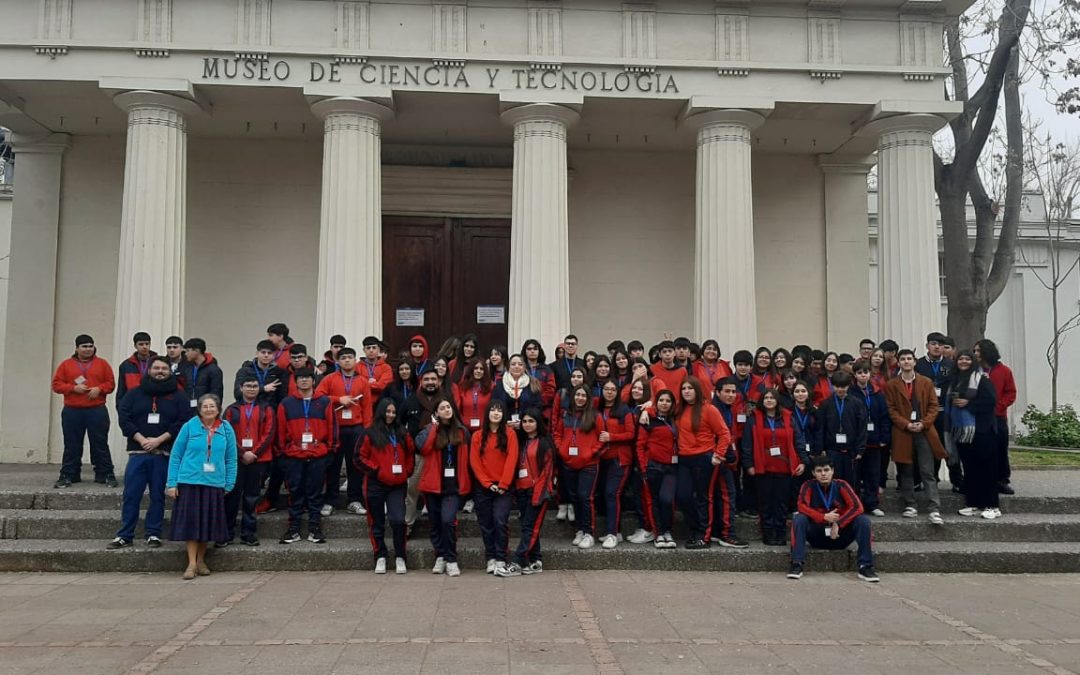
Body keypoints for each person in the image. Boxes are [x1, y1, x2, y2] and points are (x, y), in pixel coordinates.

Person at [110, 356, 189, 549]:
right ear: (149, 370)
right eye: (156, 368)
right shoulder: (135, 393)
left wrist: (159, 440)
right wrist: (141, 439)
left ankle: (153, 533)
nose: (160, 371)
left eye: (164, 368)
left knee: (157, 496)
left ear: (170, 371)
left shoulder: (179, 396)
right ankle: (125, 534)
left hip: (162, 454)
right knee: (131, 495)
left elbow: (183, 421)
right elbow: (124, 417)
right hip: (138, 452)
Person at [166, 394, 238, 580]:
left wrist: (229, 482)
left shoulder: (226, 428)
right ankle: (190, 563)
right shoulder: (189, 426)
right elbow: (176, 456)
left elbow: (231, 458)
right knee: (192, 524)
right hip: (190, 481)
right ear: (199, 409)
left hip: (214, 482)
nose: (208, 409)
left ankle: (201, 560)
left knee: (206, 524)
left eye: (212, 406)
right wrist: (172, 483)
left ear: (218, 408)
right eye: (205, 406)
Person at [787, 455, 878, 583]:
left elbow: (857, 507)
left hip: (840, 535)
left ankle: (865, 567)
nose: (823, 474)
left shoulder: (842, 485)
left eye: (826, 470)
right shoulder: (808, 485)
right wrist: (823, 517)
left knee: (863, 521)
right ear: (813, 473)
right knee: (799, 518)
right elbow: (802, 506)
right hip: (817, 535)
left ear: (832, 471)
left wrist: (839, 524)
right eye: (819, 471)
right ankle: (796, 564)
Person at [884, 349, 948, 526]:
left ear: (914, 362)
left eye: (909, 359)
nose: (906, 362)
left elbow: (934, 407)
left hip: (924, 430)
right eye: (903, 359)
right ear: (898, 362)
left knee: (927, 470)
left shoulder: (926, 382)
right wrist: (906, 424)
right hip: (903, 431)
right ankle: (910, 504)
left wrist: (924, 423)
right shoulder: (891, 384)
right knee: (905, 469)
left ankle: (934, 507)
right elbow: (891, 409)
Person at [276, 367, 338, 544]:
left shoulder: (325, 402)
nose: (304, 381)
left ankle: (314, 528)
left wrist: (331, 449)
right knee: (295, 493)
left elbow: (333, 426)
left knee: (315, 493)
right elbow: (280, 430)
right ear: (295, 382)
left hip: (318, 454)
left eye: (307, 378)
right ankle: (293, 529)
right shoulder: (286, 403)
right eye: (300, 378)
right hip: (294, 455)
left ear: (313, 381)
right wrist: (282, 452)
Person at [357, 397, 416, 574]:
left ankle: (400, 556)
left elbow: (411, 454)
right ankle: (380, 556)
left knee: (398, 520)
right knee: (377, 522)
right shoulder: (369, 433)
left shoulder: (402, 432)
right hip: (375, 483)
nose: (390, 415)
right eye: (387, 411)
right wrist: (377, 471)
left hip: (397, 484)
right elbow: (358, 458)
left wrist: (407, 471)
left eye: (393, 412)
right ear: (381, 412)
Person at [51, 334, 117, 488]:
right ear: (77, 348)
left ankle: (105, 473)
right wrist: (73, 388)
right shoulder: (66, 365)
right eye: (84, 346)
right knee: (72, 444)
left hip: (96, 410)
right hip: (72, 410)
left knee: (99, 443)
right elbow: (56, 385)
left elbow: (111, 383)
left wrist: (99, 389)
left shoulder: (102, 364)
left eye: (90, 346)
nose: (88, 349)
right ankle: (69, 474)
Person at [741, 388, 806, 545]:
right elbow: (747, 444)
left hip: (784, 467)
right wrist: (748, 464)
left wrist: (803, 461)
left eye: (772, 398)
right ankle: (768, 533)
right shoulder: (753, 419)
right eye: (766, 398)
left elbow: (798, 440)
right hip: (763, 467)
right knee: (765, 503)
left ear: (777, 400)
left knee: (781, 502)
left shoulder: (788, 418)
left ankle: (780, 533)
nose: (769, 400)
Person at [416, 397, 471, 577]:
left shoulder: (462, 432)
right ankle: (440, 555)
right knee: (435, 523)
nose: (447, 410)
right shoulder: (428, 430)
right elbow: (423, 448)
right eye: (442, 408)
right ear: (436, 413)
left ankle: (451, 558)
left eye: (448, 407)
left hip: (453, 485)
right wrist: (433, 427)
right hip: (433, 484)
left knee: (448, 520)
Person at [315, 347, 373, 516]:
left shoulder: (363, 381)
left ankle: (354, 500)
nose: (347, 360)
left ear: (355, 360)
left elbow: (367, 408)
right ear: (338, 361)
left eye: (350, 357)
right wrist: (338, 399)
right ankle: (330, 500)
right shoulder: (329, 379)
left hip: (356, 428)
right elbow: (318, 396)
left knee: (355, 465)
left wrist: (367, 431)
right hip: (335, 427)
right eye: (343, 358)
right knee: (333, 464)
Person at [675, 377, 732, 549]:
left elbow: (724, 434)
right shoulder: (679, 409)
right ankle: (695, 528)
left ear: (697, 390)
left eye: (690, 388)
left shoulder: (709, 409)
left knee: (703, 497)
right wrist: (648, 409)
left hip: (704, 459)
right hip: (684, 459)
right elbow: (660, 406)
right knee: (683, 496)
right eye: (683, 388)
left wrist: (718, 455)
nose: (686, 391)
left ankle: (704, 536)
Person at [499, 409, 556, 576]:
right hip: (522, 491)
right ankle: (535, 560)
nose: (527, 424)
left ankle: (517, 561)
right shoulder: (521, 441)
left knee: (529, 528)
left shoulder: (545, 443)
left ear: (538, 423)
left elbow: (546, 473)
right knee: (528, 527)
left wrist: (537, 495)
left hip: (538, 492)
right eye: (524, 421)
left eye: (531, 421)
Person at [220, 377, 276, 546]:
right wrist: (242, 453)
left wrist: (254, 453)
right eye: (248, 386)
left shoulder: (266, 409)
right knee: (231, 497)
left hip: (258, 459)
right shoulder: (231, 409)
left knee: (252, 498)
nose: (251, 389)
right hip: (236, 459)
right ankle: (226, 533)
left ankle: (248, 533)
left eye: (254, 386)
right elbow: (226, 433)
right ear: (241, 388)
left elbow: (269, 433)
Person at [948, 351, 1001, 519]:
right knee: (970, 469)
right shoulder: (955, 379)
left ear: (973, 362)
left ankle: (992, 505)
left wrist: (968, 403)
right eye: (960, 359)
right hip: (962, 431)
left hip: (982, 430)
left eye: (967, 359)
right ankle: (973, 502)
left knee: (986, 469)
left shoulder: (981, 379)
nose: (963, 361)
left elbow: (990, 401)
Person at [470, 399, 520, 575]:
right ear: (487, 413)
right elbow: (475, 462)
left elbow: (512, 459)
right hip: (483, 487)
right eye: (493, 410)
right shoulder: (477, 436)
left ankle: (500, 558)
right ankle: (490, 557)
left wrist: (503, 484)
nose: (496, 413)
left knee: (500, 520)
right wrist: (487, 483)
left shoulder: (510, 434)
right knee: (486, 523)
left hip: (503, 488)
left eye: (499, 410)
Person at [554, 384, 603, 549]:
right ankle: (580, 530)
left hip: (588, 464)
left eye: (583, 395)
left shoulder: (595, 416)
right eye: (577, 395)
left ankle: (589, 532)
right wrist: (562, 450)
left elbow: (601, 439)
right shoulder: (566, 414)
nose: (580, 398)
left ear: (588, 398)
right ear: (573, 397)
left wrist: (590, 453)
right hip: (569, 462)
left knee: (585, 497)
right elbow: (557, 434)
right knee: (574, 497)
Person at [916, 332, 962, 493]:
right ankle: (930, 480)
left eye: (940, 344)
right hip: (926, 414)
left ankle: (957, 481)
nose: (937, 347)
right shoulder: (918, 365)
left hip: (946, 413)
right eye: (933, 343)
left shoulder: (951, 365)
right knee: (928, 447)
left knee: (949, 447)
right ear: (927, 345)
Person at [709, 378, 749, 548]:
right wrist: (727, 453)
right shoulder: (714, 409)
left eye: (734, 392)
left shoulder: (727, 408)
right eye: (727, 391)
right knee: (727, 495)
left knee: (721, 495)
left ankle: (717, 532)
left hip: (723, 457)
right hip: (717, 459)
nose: (731, 395)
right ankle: (727, 534)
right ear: (717, 392)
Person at [596, 379, 636, 549]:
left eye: (613, 389)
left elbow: (631, 433)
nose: (610, 392)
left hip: (620, 459)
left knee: (612, 493)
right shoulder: (597, 408)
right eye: (607, 389)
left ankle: (612, 533)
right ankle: (616, 531)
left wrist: (612, 436)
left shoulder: (624, 410)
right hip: (602, 458)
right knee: (604, 495)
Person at [975, 339, 1017, 495]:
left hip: (997, 417)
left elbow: (1010, 392)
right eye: (975, 351)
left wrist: (998, 406)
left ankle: (1002, 480)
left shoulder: (1004, 371)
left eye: (978, 351)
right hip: (978, 417)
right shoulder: (975, 371)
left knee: (1000, 449)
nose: (976, 354)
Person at [637, 390, 679, 548]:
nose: (664, 403)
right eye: (661, 400)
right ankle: (659, 533)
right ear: (657, 402)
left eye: (668, 401)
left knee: (667, 499)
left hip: (672, 467)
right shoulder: (648, 420)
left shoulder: (676, 418)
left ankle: (667, 531)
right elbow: (640, 445)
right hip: (653, 466)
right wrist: (643, 467)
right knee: (654, 500)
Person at [853, 360, 890, 517]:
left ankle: (872, 504)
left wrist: (884, 437)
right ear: (855, 375)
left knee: (873, 474)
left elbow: (884, 417)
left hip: (874, 441)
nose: (863, 375)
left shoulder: (877, 394)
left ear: (870, 374)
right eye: (860, 372)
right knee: (855, 475)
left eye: (866, 372)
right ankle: (855, 505)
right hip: (856, 442)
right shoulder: (850, 394)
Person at [817, 371, 867, 486]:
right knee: (833, 480)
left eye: (843, 386)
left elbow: (862, 427)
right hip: (832, 450)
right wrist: (821, 449)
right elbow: (821, 428)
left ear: (848, 386)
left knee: (852, 482)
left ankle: (852, 503)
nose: (840, 389)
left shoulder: (857, 403)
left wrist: (860, 449)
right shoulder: (826, 404)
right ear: (832, 385)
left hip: (851, 450)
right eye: (837, 386)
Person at [233, 340, 286, 406]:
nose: (266, 355)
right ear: (257, 353)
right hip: (249, 409)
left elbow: (282, 396)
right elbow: (237, 394)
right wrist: (262, 389)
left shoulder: (278, 372)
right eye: (263, 352)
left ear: (273, 355)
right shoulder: (245, 371)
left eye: (269, 353)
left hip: (270, 411)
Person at [181, 338, 224, 409]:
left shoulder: (213, 370)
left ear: (197, 351)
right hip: (188, 407)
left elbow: (216, 392)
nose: (186, 354)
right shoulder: (187, 368)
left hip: (205, 408)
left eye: (188, 351)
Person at [116, 331, 155, 406]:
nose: (144, 346)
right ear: (135, 346)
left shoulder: (158, 363)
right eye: (141, 344)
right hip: (133, 404)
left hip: (153, 403)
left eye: (147, 344)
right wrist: (120, 408)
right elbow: (121, 391)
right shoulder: (125, 365)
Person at [455, 358, 494, 431]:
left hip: (485, 429)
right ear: (471, 370)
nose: (478, 371)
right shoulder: (462, 386)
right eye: (476, 368)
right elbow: (457, 409)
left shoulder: (491, 386)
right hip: (465, 429)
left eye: (481, 369)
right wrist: (463, 423)